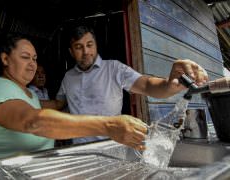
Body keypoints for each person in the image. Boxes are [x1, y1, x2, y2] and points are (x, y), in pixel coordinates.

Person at [0, 34, 148, 163]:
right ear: (5, 59)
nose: (32, 64)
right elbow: (33, 121)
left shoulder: (31, 95)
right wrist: (109, 126)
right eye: (25, 57)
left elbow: (56, 105)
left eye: (34, 58)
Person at [42, 25, 208, 144]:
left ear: (96, 45)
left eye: (89, 45)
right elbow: (59, 103)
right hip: (77, 149)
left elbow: (147, 85)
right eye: (79, 47)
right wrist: (28, 101)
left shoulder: (114, 68)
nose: (86, 52)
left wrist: (167, 85)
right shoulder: (68, 77)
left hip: (110, 145)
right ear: (71, 52)